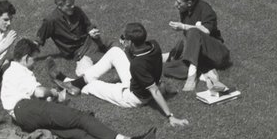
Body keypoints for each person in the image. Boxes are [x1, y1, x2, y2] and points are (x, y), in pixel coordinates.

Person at [1, 38, 160, 139]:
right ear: (25, 57)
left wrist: (51, 101)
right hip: (26, 108)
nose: (34, 64)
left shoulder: (10, 73)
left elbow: (36, 99)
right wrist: (53, 92)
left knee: (75, 132)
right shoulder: (19, 71)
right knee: (80, 118)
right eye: (33, 59)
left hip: (23, 119)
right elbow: (40, 92)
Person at [61, 22, 194, 123]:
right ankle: (74, 82)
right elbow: (138, 60)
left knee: (93, 85)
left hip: (133, 97)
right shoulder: (154, 44)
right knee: (115, 51)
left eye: (125, 37)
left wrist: (171, 117)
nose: (123, 39)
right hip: (137, 81)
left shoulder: (138, 65)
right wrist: (126, 48)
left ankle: (68, 82)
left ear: (130, 41)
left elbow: (154, 91)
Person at [164, 0, 231, 92]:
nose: (175, 5)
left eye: (179, 2)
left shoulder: (206, 9)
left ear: (189, 3)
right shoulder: (184, 9)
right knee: (166, 69)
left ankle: (192, 76)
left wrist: (183, 26)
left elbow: (206, 31)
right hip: (200, 58)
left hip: (217, 54)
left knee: (195, 31)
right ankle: (205, 71)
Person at [35, 0, 108, 78]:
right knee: (107, 59)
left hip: (91, 40)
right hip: (81, 52)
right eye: (69, 5)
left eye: (73, 3)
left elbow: (88, 25)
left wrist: (91, 31)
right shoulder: (51, 20)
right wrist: (26, 56)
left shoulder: (77, 10)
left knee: (117, 46)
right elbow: (39, 40)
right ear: (59, 6)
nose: (73, 6)